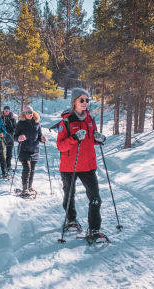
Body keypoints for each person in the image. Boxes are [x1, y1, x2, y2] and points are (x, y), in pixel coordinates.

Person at [56, 88, 107, 238]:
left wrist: (99, 139)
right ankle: (71, 219)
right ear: (74, 102)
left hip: (87, 165)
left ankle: (94, 229)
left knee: (95, 198)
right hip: (69, 166)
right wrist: (74, 138)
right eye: (82, 100)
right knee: (69, 195)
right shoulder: (65, 122)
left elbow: (91, 140)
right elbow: (61, 146)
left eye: (87, 100)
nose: (85, 103)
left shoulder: (90, 120)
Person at [14, 105, 46, 196]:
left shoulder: (37, 123)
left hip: (35, 150)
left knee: (32, 170)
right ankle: (25, 189)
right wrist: (19, 138)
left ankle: (30, 187)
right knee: (27, 169)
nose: (29, 114)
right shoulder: (20, 123)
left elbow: (39, 136)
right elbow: (15, 137)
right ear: (24, 113)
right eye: (27, 112)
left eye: (31, 112)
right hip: (24, 150)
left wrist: (42, 138)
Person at [1, 105, 17, 172]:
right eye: (5, 110)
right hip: (2, 139)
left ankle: (8, 166)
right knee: (0, 153)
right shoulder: (0, 118)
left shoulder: (13, 119)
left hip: (10, 138)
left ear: (9, 111)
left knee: (9, 154)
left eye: (8, 110)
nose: (6, 112)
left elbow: (15, 128)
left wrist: (13, 133)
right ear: (3, 111)